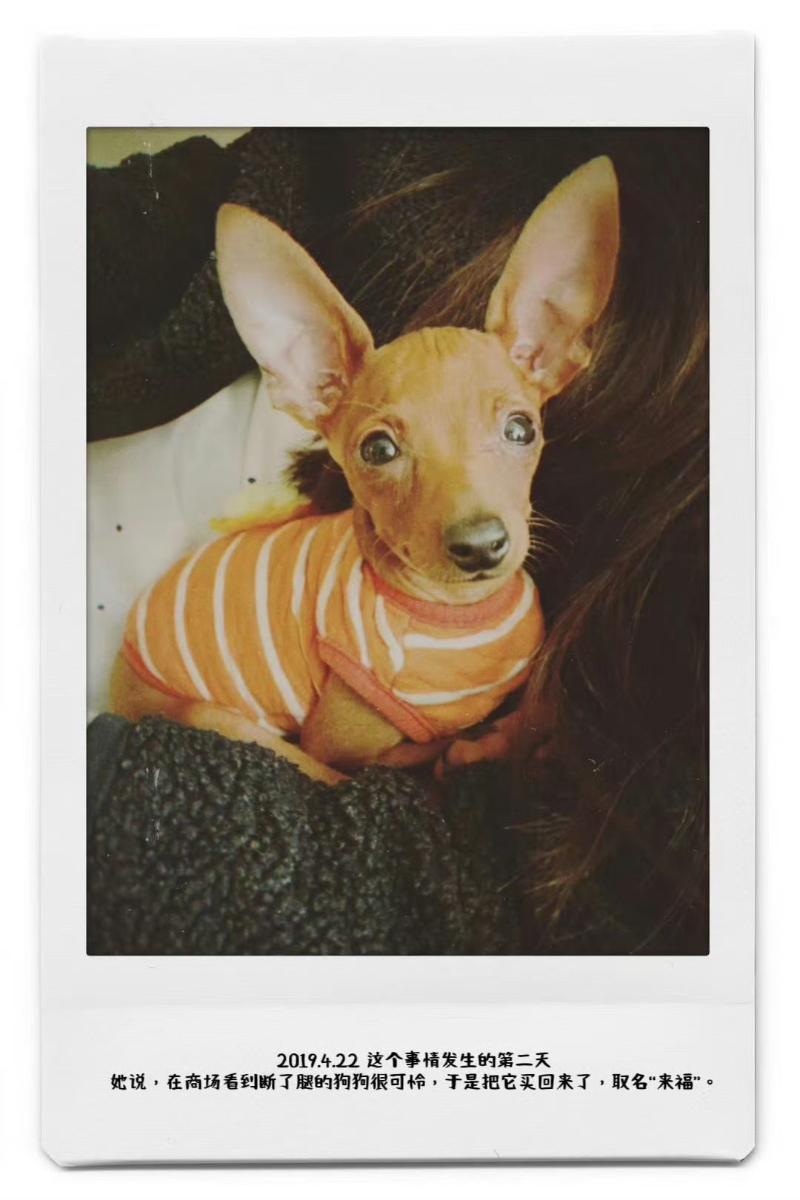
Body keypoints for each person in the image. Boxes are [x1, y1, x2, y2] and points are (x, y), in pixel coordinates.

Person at [87, 127, 708, 955]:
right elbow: (337, 752)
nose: (472, 520)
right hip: (171, 684)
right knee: (275, 751)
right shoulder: (371, 641)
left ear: (556, 352)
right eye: (383, 449)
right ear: (315, 394)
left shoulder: (536, 600)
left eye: (513, 431)